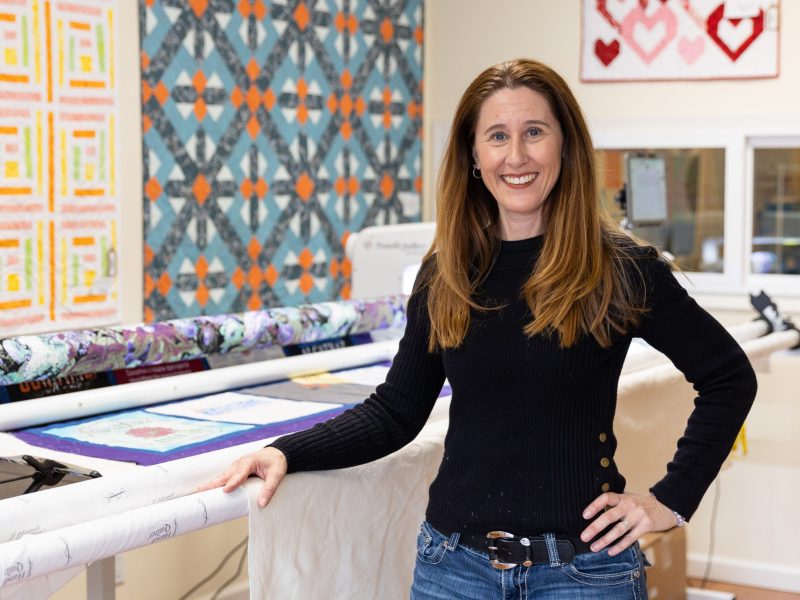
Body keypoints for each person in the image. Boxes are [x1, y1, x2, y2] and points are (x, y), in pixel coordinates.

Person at [202, 58, 757, 598]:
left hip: (582, 574)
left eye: (534, 132)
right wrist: (286, 451)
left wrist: (669, 500)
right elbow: (396, 411)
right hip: (455, 568)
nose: (516, 155)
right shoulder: (447, 273)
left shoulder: (620, 270)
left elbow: (730, 377)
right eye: (497, 136)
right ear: (472, 154)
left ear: (565, 146)